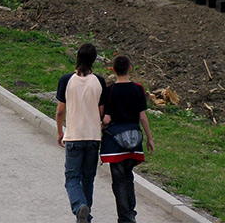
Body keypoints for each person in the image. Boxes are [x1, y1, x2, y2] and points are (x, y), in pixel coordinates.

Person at [100, 54, 155, 223]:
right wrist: (149, 138)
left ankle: (124, 217)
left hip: (115, 143)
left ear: (113, 70)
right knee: (129, 177)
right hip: (134, 140)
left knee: (118, 181)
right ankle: (131, 212)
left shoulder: (109, 90)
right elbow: (143, 117)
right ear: (130, 68)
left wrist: (99, 128)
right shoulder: (138, 89)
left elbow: (107, 118)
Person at [56, 42, 107, 223]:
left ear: (77, 57)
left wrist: (60, 131)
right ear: (94, 60)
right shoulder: (99, 82)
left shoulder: (66, 80)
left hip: (74, 136)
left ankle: (79, 208)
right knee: (87, 179)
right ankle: (86, 216)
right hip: (93, 137)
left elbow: (60, 110)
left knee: (71, 178)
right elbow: (102, 112)